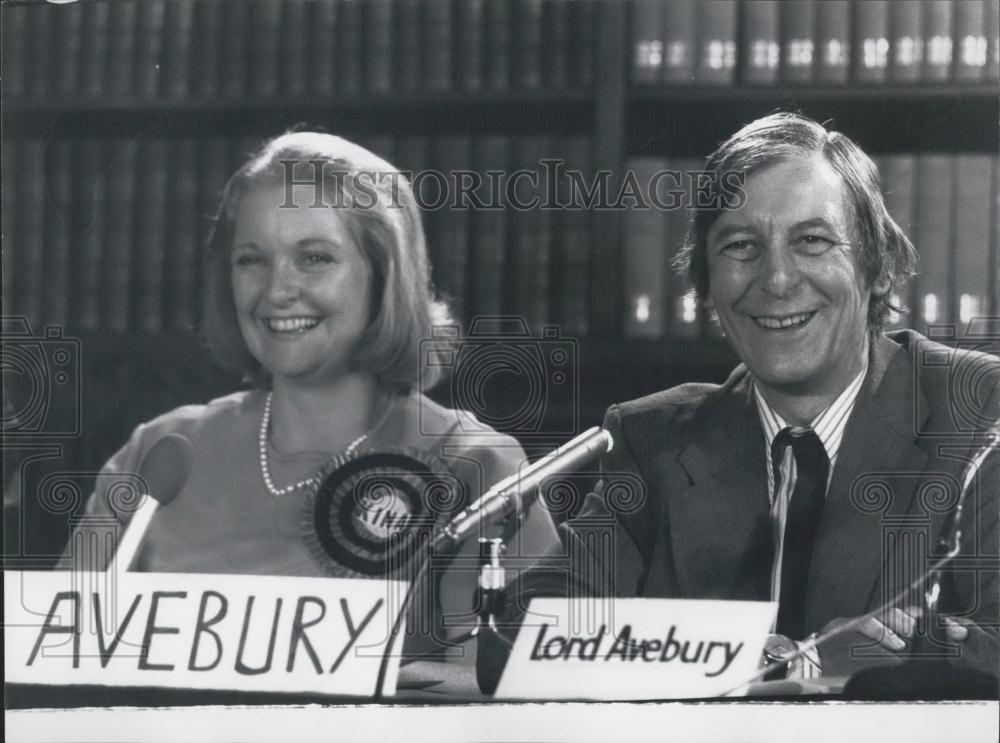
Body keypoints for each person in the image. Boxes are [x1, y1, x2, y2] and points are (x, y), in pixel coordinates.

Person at [484, 112, 999, 688]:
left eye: (811, 241)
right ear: (706, 285)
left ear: (878, 266)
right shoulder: (654, 439)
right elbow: (518, 640)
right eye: (740, 246)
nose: (776, 279)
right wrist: (790, 659)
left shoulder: (980, 411)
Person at [65, 131, 559, 664]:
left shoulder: (477, 468)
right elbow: (50, 659)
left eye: (315, 258)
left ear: (384, 274)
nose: (277, 291)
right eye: (251, 260)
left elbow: (501, 695)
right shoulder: (159, 451)